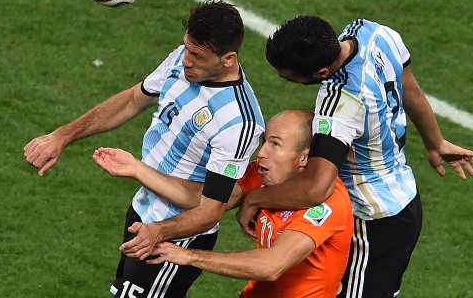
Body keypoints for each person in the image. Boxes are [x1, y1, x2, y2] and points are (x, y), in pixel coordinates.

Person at [24, 0, 265, 298]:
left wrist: (159, 231)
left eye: (198, 55)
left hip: (175, 238)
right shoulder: (181, 60)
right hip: (142, 212)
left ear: (228, 59)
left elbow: (210, 210)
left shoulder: (238, 122)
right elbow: (131, 100)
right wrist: (62, 136)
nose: (187, 60)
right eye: (187, 48)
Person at [236, 16, 473, 298]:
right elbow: (410, 88)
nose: (283, 78)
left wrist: (255, 199)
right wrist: (435, 142)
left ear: (321, 72)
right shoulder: (373, 32)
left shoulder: (340, 104)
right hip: (403, 197)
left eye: (287, 76)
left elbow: (316, 187)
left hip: (372, 220)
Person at [93, 109, 354, 298]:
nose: (261, 152)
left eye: (275, 144)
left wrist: (187, 255)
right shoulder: (263, 174)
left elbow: (271, 265)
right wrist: (138, 169)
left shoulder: (328, 204)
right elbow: (205, 199)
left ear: (303, 159)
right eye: (265, 142)